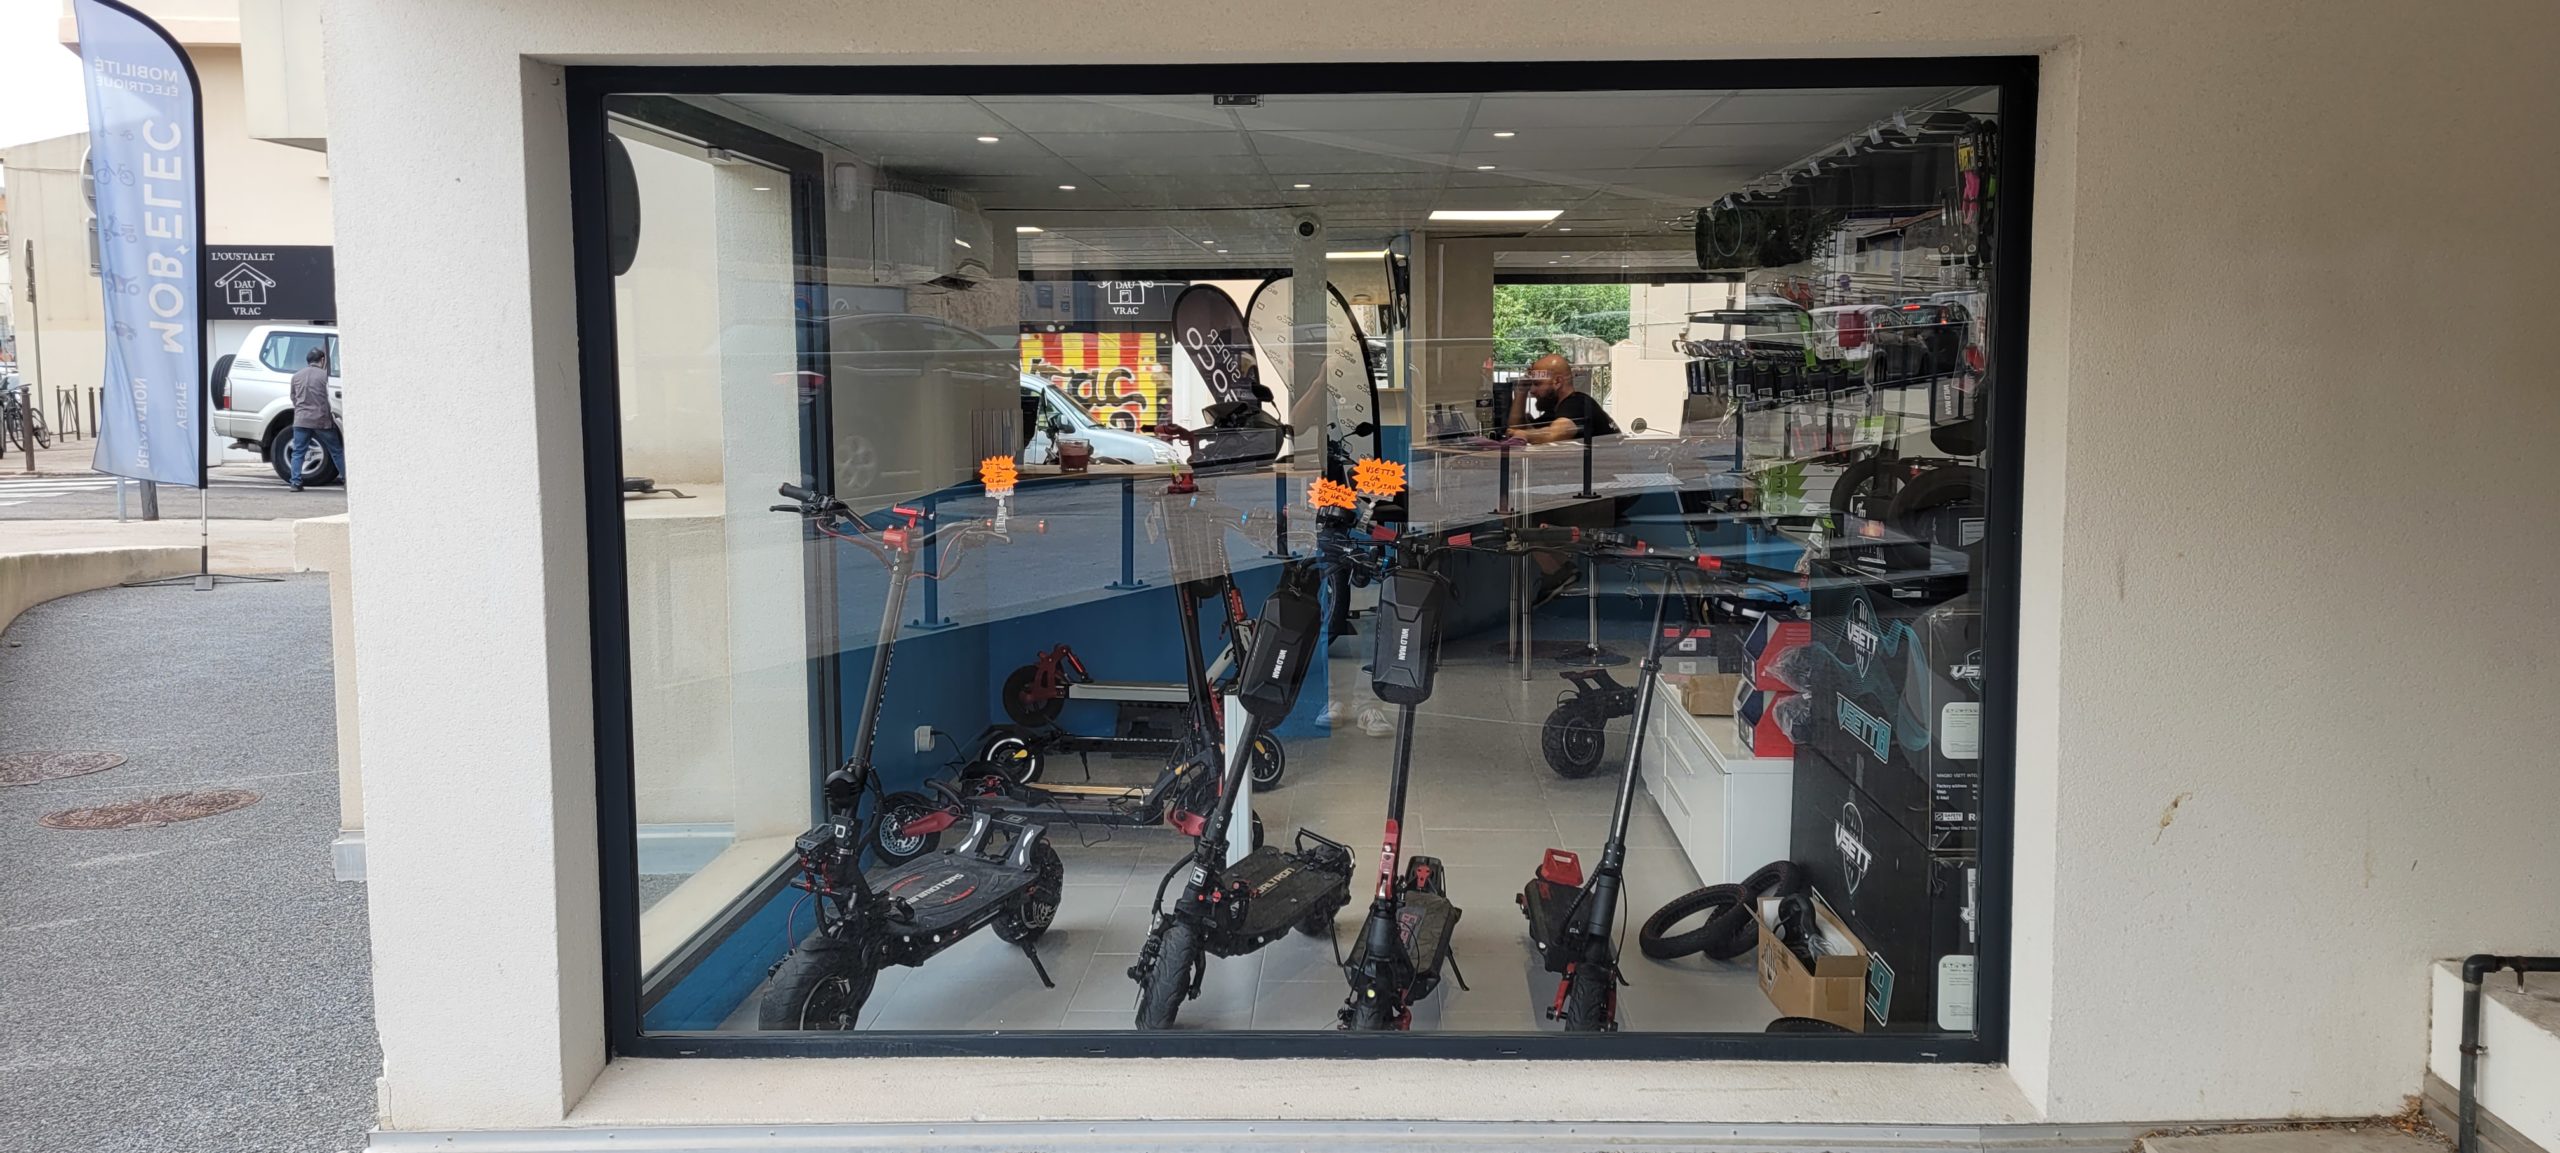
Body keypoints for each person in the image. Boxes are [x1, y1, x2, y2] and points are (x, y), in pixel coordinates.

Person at [1506, 352, 1618, 445]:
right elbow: (1518, 429)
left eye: (1537, 384)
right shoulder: (1555, 411)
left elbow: (1557, 433)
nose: (1532, 390)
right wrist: (1521, 392)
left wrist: (1525, 435)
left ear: (1557, 382)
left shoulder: (1577, 404)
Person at [285, 345, 345, 491]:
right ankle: (347, 479)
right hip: (321, 420)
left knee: (298, 452)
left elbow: (293, 397)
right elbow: (330, 397)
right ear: (322, 360)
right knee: (336, 450)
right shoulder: (325, 376)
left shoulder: (296, 376)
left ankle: (295, 483)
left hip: (301, 420)